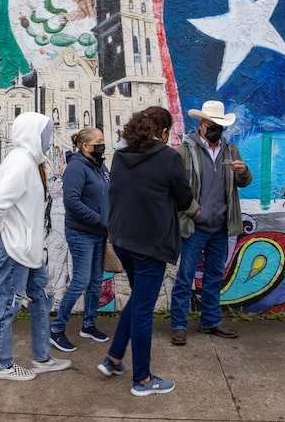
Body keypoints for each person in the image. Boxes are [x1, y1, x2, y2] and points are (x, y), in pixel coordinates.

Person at [98, 106, 193, 397]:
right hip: (150, 244)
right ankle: (142, 380)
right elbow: (185, 198)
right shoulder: (168, 157)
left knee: (137, 301)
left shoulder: (120, 156)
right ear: (163, 132)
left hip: (122, 240)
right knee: (143, 310)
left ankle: (114, 358)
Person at [0, 112, 72, 381]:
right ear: (31, 135)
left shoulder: (32, 162)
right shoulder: (21, 163)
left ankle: (42, 357)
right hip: (16, 249)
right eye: (44, 134)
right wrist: (2, 233)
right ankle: (3, 366)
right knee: (7, 305)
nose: (48, 139)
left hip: (29, 251)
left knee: (43, 296)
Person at [170, 100, 251, 345]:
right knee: (185, 276)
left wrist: (243, 171)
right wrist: (194, 212)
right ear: (201, 125)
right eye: (212, 125)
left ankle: (210, 321)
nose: (216, 129)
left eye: (220, 126)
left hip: (221, 226)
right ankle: (178, 324)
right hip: (194, 226)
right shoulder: (185, 149)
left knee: (214, 276)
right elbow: (176, 186)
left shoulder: (230, 150)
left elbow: (244, 183)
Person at [50, 127, 111, 352]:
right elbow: (72, 203)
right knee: (81, 281)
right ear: (85, 146)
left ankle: (89, 324)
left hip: (98, 232)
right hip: (81, 233)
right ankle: (56, 329)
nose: (102, 144)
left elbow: (108, 192)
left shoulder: (100, 166)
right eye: (99, 141)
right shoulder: (76, 167)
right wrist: (101, 220)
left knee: (96, 279)